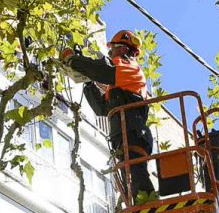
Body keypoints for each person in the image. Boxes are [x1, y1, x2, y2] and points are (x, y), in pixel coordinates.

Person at [60, 30, 157, 203]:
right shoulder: (120, 84)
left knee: (136, 175)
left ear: (122, 49)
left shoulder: (130, 67)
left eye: (112, 49)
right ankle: (142, 209)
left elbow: (105, 70)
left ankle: (149, 209)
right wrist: (88, 82)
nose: (110, 53)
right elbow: (101, 108)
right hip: (124, 135)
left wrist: (74, 60)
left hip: (133, 132)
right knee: (130, 180)